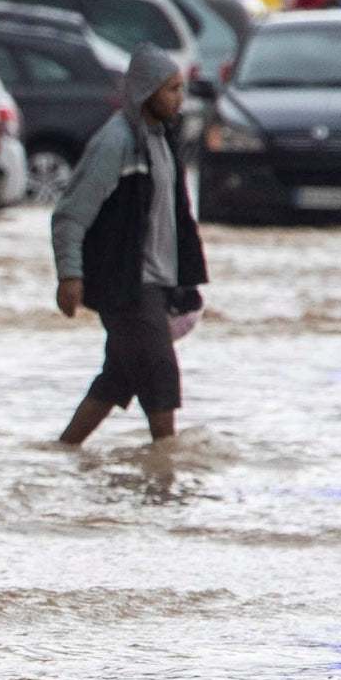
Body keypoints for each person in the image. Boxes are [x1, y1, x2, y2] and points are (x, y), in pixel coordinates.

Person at [49, 45, 207, 446]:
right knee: (160, 376)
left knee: (117, 378)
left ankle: (63, 453)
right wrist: (70, 276)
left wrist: (184, 279)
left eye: (181, 88)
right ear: (146, 91)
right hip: (128, 285)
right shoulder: (114, 143)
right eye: (171, 89)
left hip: (156, 282)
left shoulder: (162, 140)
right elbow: (69, 214)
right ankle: (164, 480)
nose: (179, 97)